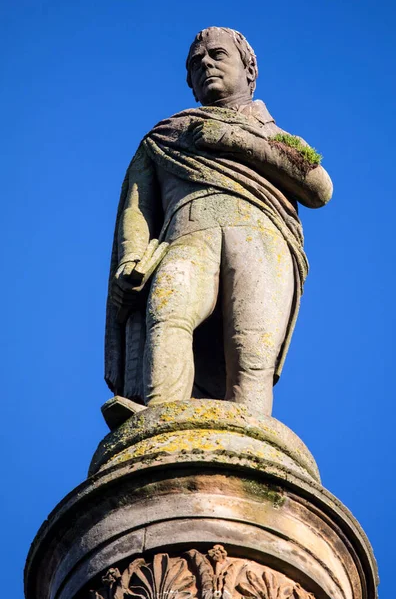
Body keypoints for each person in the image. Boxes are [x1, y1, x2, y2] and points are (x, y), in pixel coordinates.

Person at [105, 27, 332, 417]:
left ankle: (251, 428)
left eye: (217, 55)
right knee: (168, 309)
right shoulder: (165, 137)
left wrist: (234, 139)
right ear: (191, 84)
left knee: (251, 347)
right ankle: (160, 414)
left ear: (249, 69)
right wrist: (131, 258)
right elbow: (136, 209)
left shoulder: (276, 137)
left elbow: (319, 187)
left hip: (263, 238)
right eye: (196, 63)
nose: (205, 63)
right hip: (186, 235)